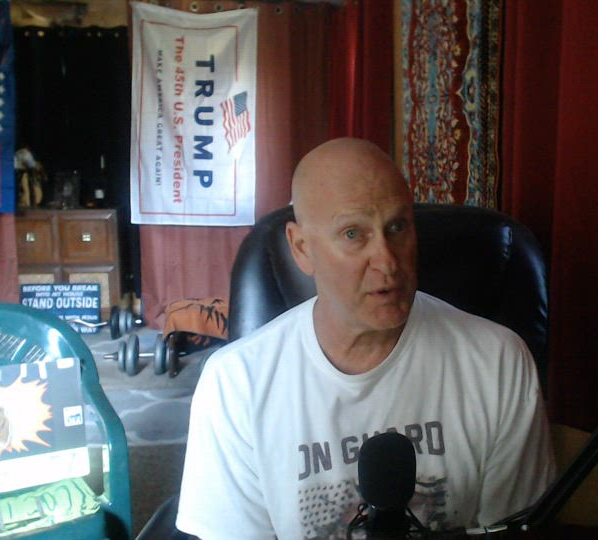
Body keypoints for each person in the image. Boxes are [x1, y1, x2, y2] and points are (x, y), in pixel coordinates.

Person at [176, 138, 555, 539]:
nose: (388, 261)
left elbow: (513, 528)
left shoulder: (497, 361)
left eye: (397, 227)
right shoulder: (236, 383)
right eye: (353, 233)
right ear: (302, 248)